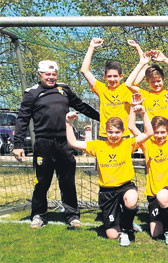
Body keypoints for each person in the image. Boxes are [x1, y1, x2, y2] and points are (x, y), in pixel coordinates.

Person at [12, 60, 99, 229]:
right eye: (47, 74)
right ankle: (38, 215)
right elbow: (22, 119)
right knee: (42, 182)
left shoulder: (64, 89)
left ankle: (72, 216)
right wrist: (18, 144)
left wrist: (102, 117)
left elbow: (81, 106)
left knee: (67, 181)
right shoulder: (32, 93)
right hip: (43, 144)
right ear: (40, 75)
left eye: (54, 74)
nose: (51, 77)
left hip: (65, 143)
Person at [66, 105, 152, 246]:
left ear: (122, 132)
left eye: (117, 132)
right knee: (111, 235)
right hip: (107, 191)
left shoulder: (127, 143)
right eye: (110, 132)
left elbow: (148, 133)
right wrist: (68, 123)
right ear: (105, 132)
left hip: (125, 186)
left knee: (131, 200)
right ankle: (123, 224)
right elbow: (73, 142)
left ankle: (126, 229)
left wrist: (143, 113)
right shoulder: (98, 146)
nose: (114, 135)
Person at [128, 85, 168, 246]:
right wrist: (134, 108)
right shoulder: (147, 143)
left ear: (167, 132)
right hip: (153, 192)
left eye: (162, 132)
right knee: (154, 233)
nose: (160, 135)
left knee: (163, 197)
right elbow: (131, 127)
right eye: (156, 132)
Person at [80, 37, 134, 139]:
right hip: (105, 134)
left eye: (115, 76)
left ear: (121, 76)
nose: (112, 79)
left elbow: (143, 68)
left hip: (123, 134)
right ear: (105, 77)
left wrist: (138, 49)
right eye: (109, 76)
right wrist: (91, 47)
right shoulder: (102, 89)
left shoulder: (127, 87)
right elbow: (84, 71)